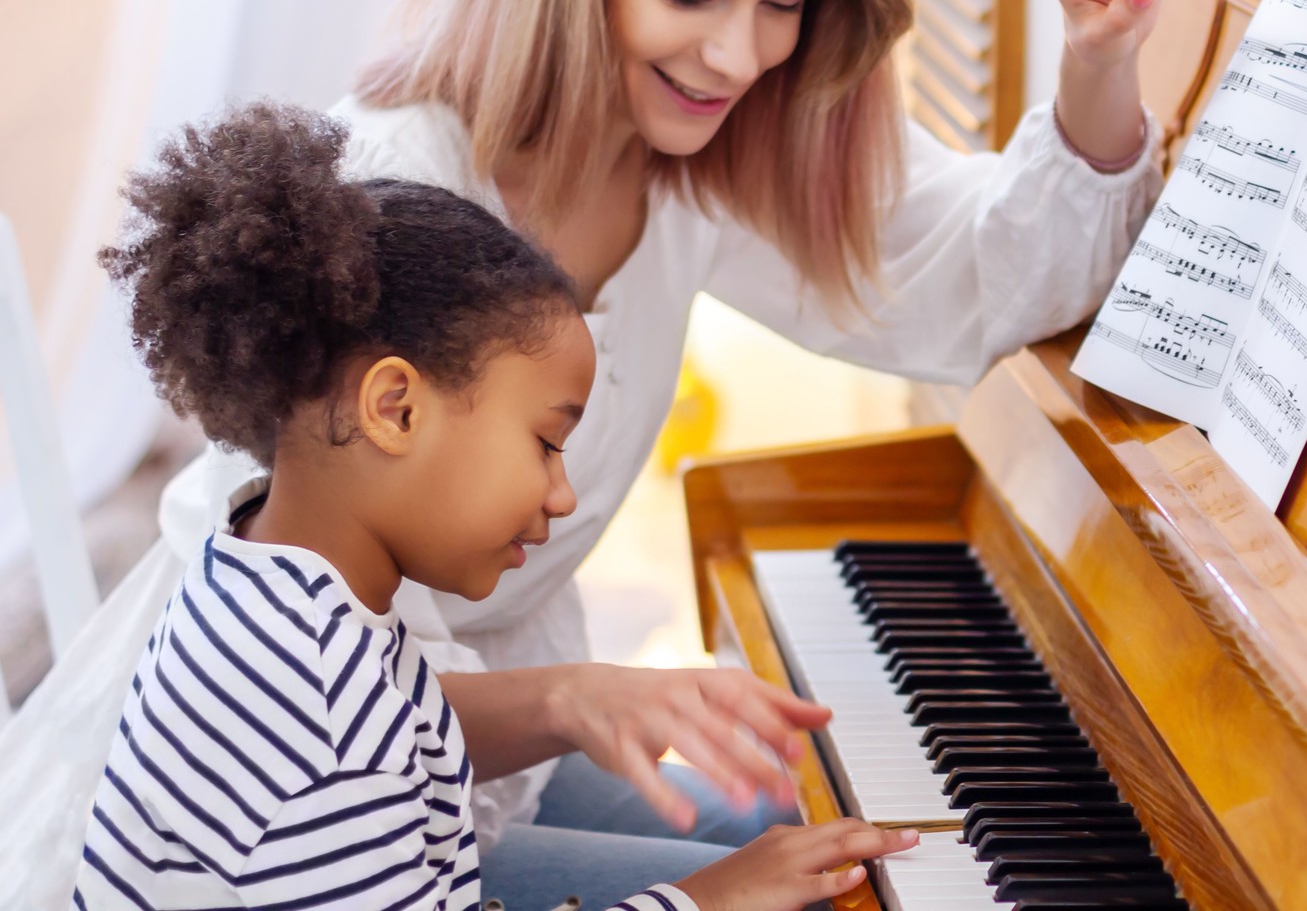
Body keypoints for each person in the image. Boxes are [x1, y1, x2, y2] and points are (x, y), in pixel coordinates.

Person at [154, 0, 1175, 903]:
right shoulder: (399, 198)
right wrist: (585, 701)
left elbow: (984, 281)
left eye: (784, 2)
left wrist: (1099, 65)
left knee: (816, 821)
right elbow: (284, 667)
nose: (740, 57)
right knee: (793, 876)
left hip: (490, 756)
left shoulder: (707, 158)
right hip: (341, 808)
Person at [76, 101, 918, 910]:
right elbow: (364, 756)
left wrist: (581, 700)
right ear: (395, 408)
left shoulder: (269, 575)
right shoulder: (325, 730)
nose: (563, 492)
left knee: (796, 845)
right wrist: (701, 900)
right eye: (546, 443)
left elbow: (407, 733)